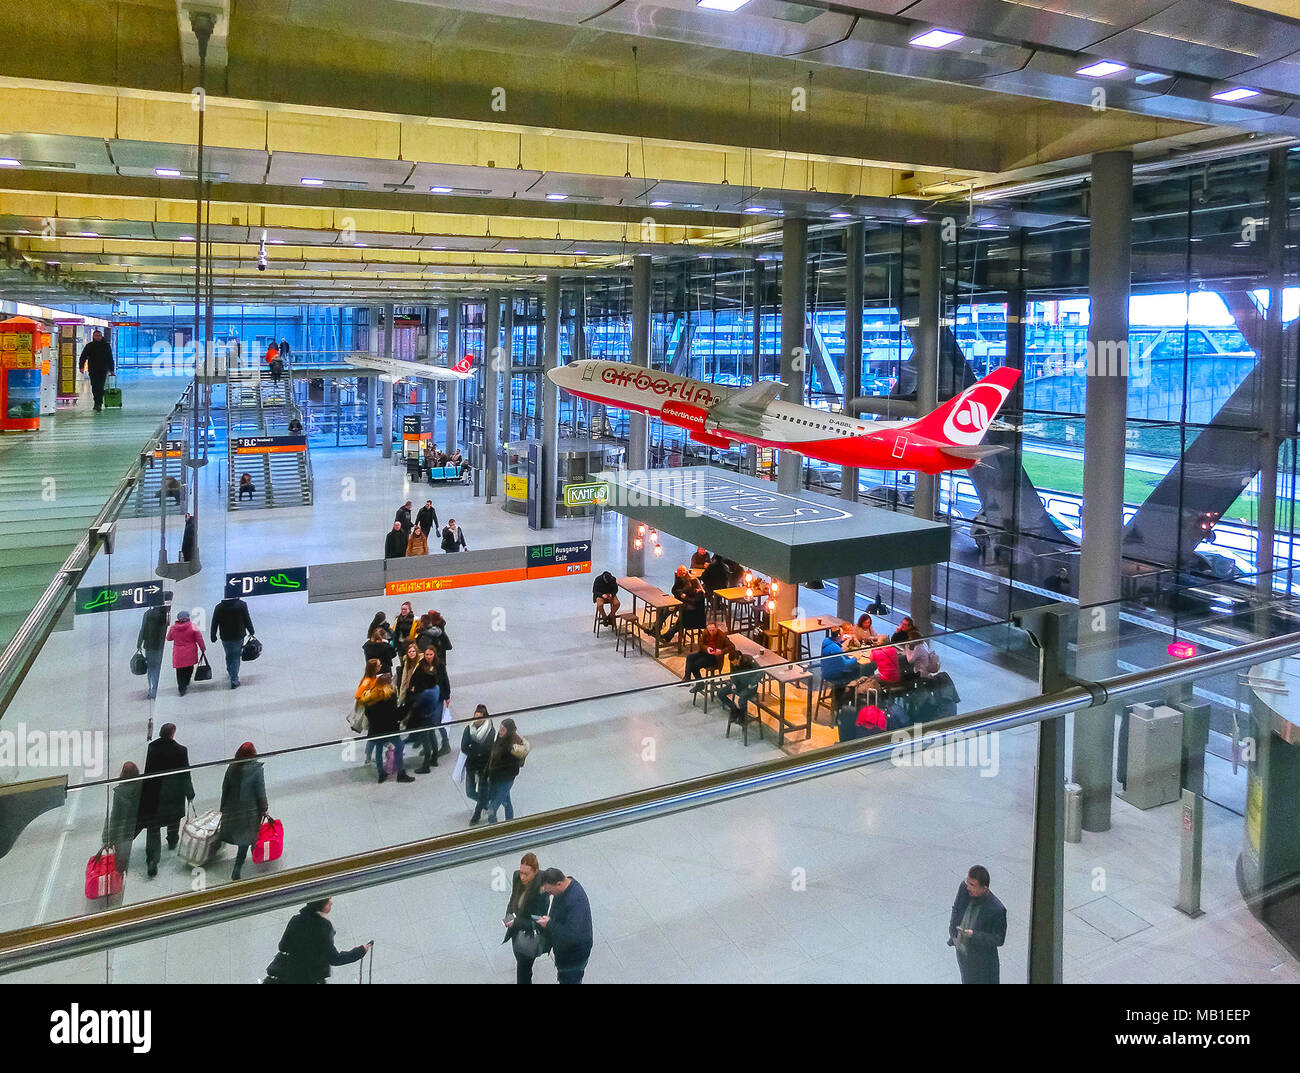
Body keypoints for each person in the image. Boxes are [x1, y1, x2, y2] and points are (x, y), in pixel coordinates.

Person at [265, 899, 370, 985]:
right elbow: (334, 958)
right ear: (321, 905)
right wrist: (359, 952)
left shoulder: (296, 920)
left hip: (280, 976)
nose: (331, 902)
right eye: (328, 901)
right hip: (305, 978)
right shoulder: (323, 927)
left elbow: (283, 946)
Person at [138, 723, 195, 878]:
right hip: (173, 794)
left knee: (153, 829)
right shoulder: (181, 750)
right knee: (173, 820)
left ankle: (152, 860)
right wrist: (190, 793)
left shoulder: (153, 748)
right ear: (172, 734)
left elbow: (148, 770)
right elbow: (185, 774)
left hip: (154, 795)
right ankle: (172, 840)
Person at [947, 865, 1007, 984]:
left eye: (972, 885)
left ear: (984, 888)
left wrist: (974, 935)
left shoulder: (997, 909)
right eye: (968, 882)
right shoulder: (963, 888)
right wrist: (954, 935)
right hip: (964, 955)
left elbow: (999, 939)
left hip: (983, 963)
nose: (968, 887)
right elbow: (956, 910)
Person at [219, 742, 269, 881]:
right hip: (250, 810)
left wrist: (223, 807)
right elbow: (260, 792)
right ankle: (238, 867)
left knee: (245, 835)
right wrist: (264, 808)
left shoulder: (232, 768)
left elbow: (225, 789)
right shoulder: (257, 770)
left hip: (234, 808)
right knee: (247, 837)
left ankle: (250, 857)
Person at [537, 868, 593, 984]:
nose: (549, 894)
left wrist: (550, 924)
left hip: (574, 958)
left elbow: (574, 936)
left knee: (570, 980)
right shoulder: (564, 887)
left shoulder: (576, 901)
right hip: (565, 953)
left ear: (558, 884)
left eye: (550, 891)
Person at [503, 852, 548, 985]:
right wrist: (508, 916)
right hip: (516, 928)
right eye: (521, 872)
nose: (522, 876)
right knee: (520, 960)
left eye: (526, 874)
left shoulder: (542, 889)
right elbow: (513, 899)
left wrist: (516, 922)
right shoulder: (517, 875)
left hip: (530, 934)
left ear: (535, 871)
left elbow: (538, 920)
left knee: (524, 969)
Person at [362, 672, 413, 784]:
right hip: (391, 730)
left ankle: (381, 774)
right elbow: (397, 715)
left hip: (377, 730)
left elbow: (367, 713)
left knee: (379, 750)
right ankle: (401, 773)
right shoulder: (390, 697)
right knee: (399, 747)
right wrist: (408, 704)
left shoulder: (370, 697)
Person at [100, 761, 142, 883]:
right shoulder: (142, 783)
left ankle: (119, 873)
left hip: (126, 828)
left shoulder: (119, 792)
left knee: (121, 853)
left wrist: (106, 837)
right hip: (139, 822)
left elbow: (114, 816)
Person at [483, 718, 530, 824]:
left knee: (491, 809)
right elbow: (492, 758)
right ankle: (510, 825)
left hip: (505, 781)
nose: (500, 732)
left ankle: (495, 829)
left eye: (503, 730)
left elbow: (514, 768)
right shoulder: (499, 740)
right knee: (507, 803)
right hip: (495, 779)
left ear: (508, 731)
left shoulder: (512, 748)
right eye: (500, 729)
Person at [409, 644, 452, 755]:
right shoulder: (421, 665)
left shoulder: (439, 665)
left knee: (436, 722)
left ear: (434, 654)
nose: (428, 657)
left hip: (437, 697)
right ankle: (428, 746)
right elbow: (414, 679)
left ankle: (445, 743)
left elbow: (445, 681)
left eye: (431, 654)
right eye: (427, 654)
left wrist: (447, 696)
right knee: (427, 722)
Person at [211, 592, 255, 690]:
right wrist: (251, 630)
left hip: (225, 636)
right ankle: (234, 679)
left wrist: (213, 635)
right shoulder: (241, 605)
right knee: (236, 656)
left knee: (229, 654)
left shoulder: (219, 607)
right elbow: (246, 618)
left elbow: (214, 622)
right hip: (238, 636)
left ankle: (230, 671)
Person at [463, 706, 496, 824]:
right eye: (475, 717)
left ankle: (477, 815)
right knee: (470, 792)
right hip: (471, 766)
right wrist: (477, 751)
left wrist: (473, 748)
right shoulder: (469, 728)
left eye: (479, 717)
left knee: (482, 790)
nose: (476, 720)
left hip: (485, 767)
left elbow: (486, 748)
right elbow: (464, 747)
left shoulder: (490, 730)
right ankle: (488, 804)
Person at [683, 620, 735, 691]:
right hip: (705, 652)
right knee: (689, 657)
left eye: (713, 630)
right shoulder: (705, 632)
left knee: (694, 665)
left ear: (716, 628)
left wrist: (721, 651)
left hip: (715, 658)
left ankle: (700, 684)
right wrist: (707, 648)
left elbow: (732, 646)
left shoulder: (722, 635)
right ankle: (687, 678)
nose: (711, 632)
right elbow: (700, 643)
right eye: (710, 630)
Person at [820, 628, 864, 710]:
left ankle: (843, 696)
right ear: (839, 635)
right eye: (842, 634)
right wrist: (855, 658)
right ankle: (846, 700)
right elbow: (845, 665)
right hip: (834, 674)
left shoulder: (826, 641)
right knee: (858, 670)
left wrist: (842, 640)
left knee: (855, 670)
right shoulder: (835, 648)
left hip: (826, 670)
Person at [166, 610, 205, 696]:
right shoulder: (192, 626)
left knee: (179, 671)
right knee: (189, 668)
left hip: (178, 653)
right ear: (188, 618)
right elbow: (199, 639)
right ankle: (187, 681)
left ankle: (181, 688)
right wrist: (203, 648)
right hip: (190, 651)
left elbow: (169, 638)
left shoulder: (173, 628)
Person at [136, 602, 170, 700]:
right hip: (161, 645)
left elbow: (143, 629)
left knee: (151, 668)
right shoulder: (166, 614)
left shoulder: (148, 614)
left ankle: (153, 690)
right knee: (159, 667)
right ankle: (157, 688)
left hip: (150, 646)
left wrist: (139, 644)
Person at [660, 576, 705, 644]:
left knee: (682, 619)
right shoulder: (691, 589)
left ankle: (668, 635)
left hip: (696, 617)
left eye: (689, 583)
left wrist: (685, 598)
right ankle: (661, 627)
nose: (688, 585)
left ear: (693, 584)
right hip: (689, 612)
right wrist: (681, 593)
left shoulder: (700, 593)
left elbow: (694, 602)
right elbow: (679, 591)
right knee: (670, 610)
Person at [78, 328, 114, 412]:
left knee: (100, 386)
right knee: (94, 386)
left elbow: (110, 358)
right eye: (96, 336)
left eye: (99, 336)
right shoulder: (90, 346)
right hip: (93, 369)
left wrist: (111, 369)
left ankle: (99, 403)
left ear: (102, 336)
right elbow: (83, 356)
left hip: (103, 369)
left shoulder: (106, 346)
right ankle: (96, 402)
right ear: (93, 336)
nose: (98, 337)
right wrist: (81, 366)